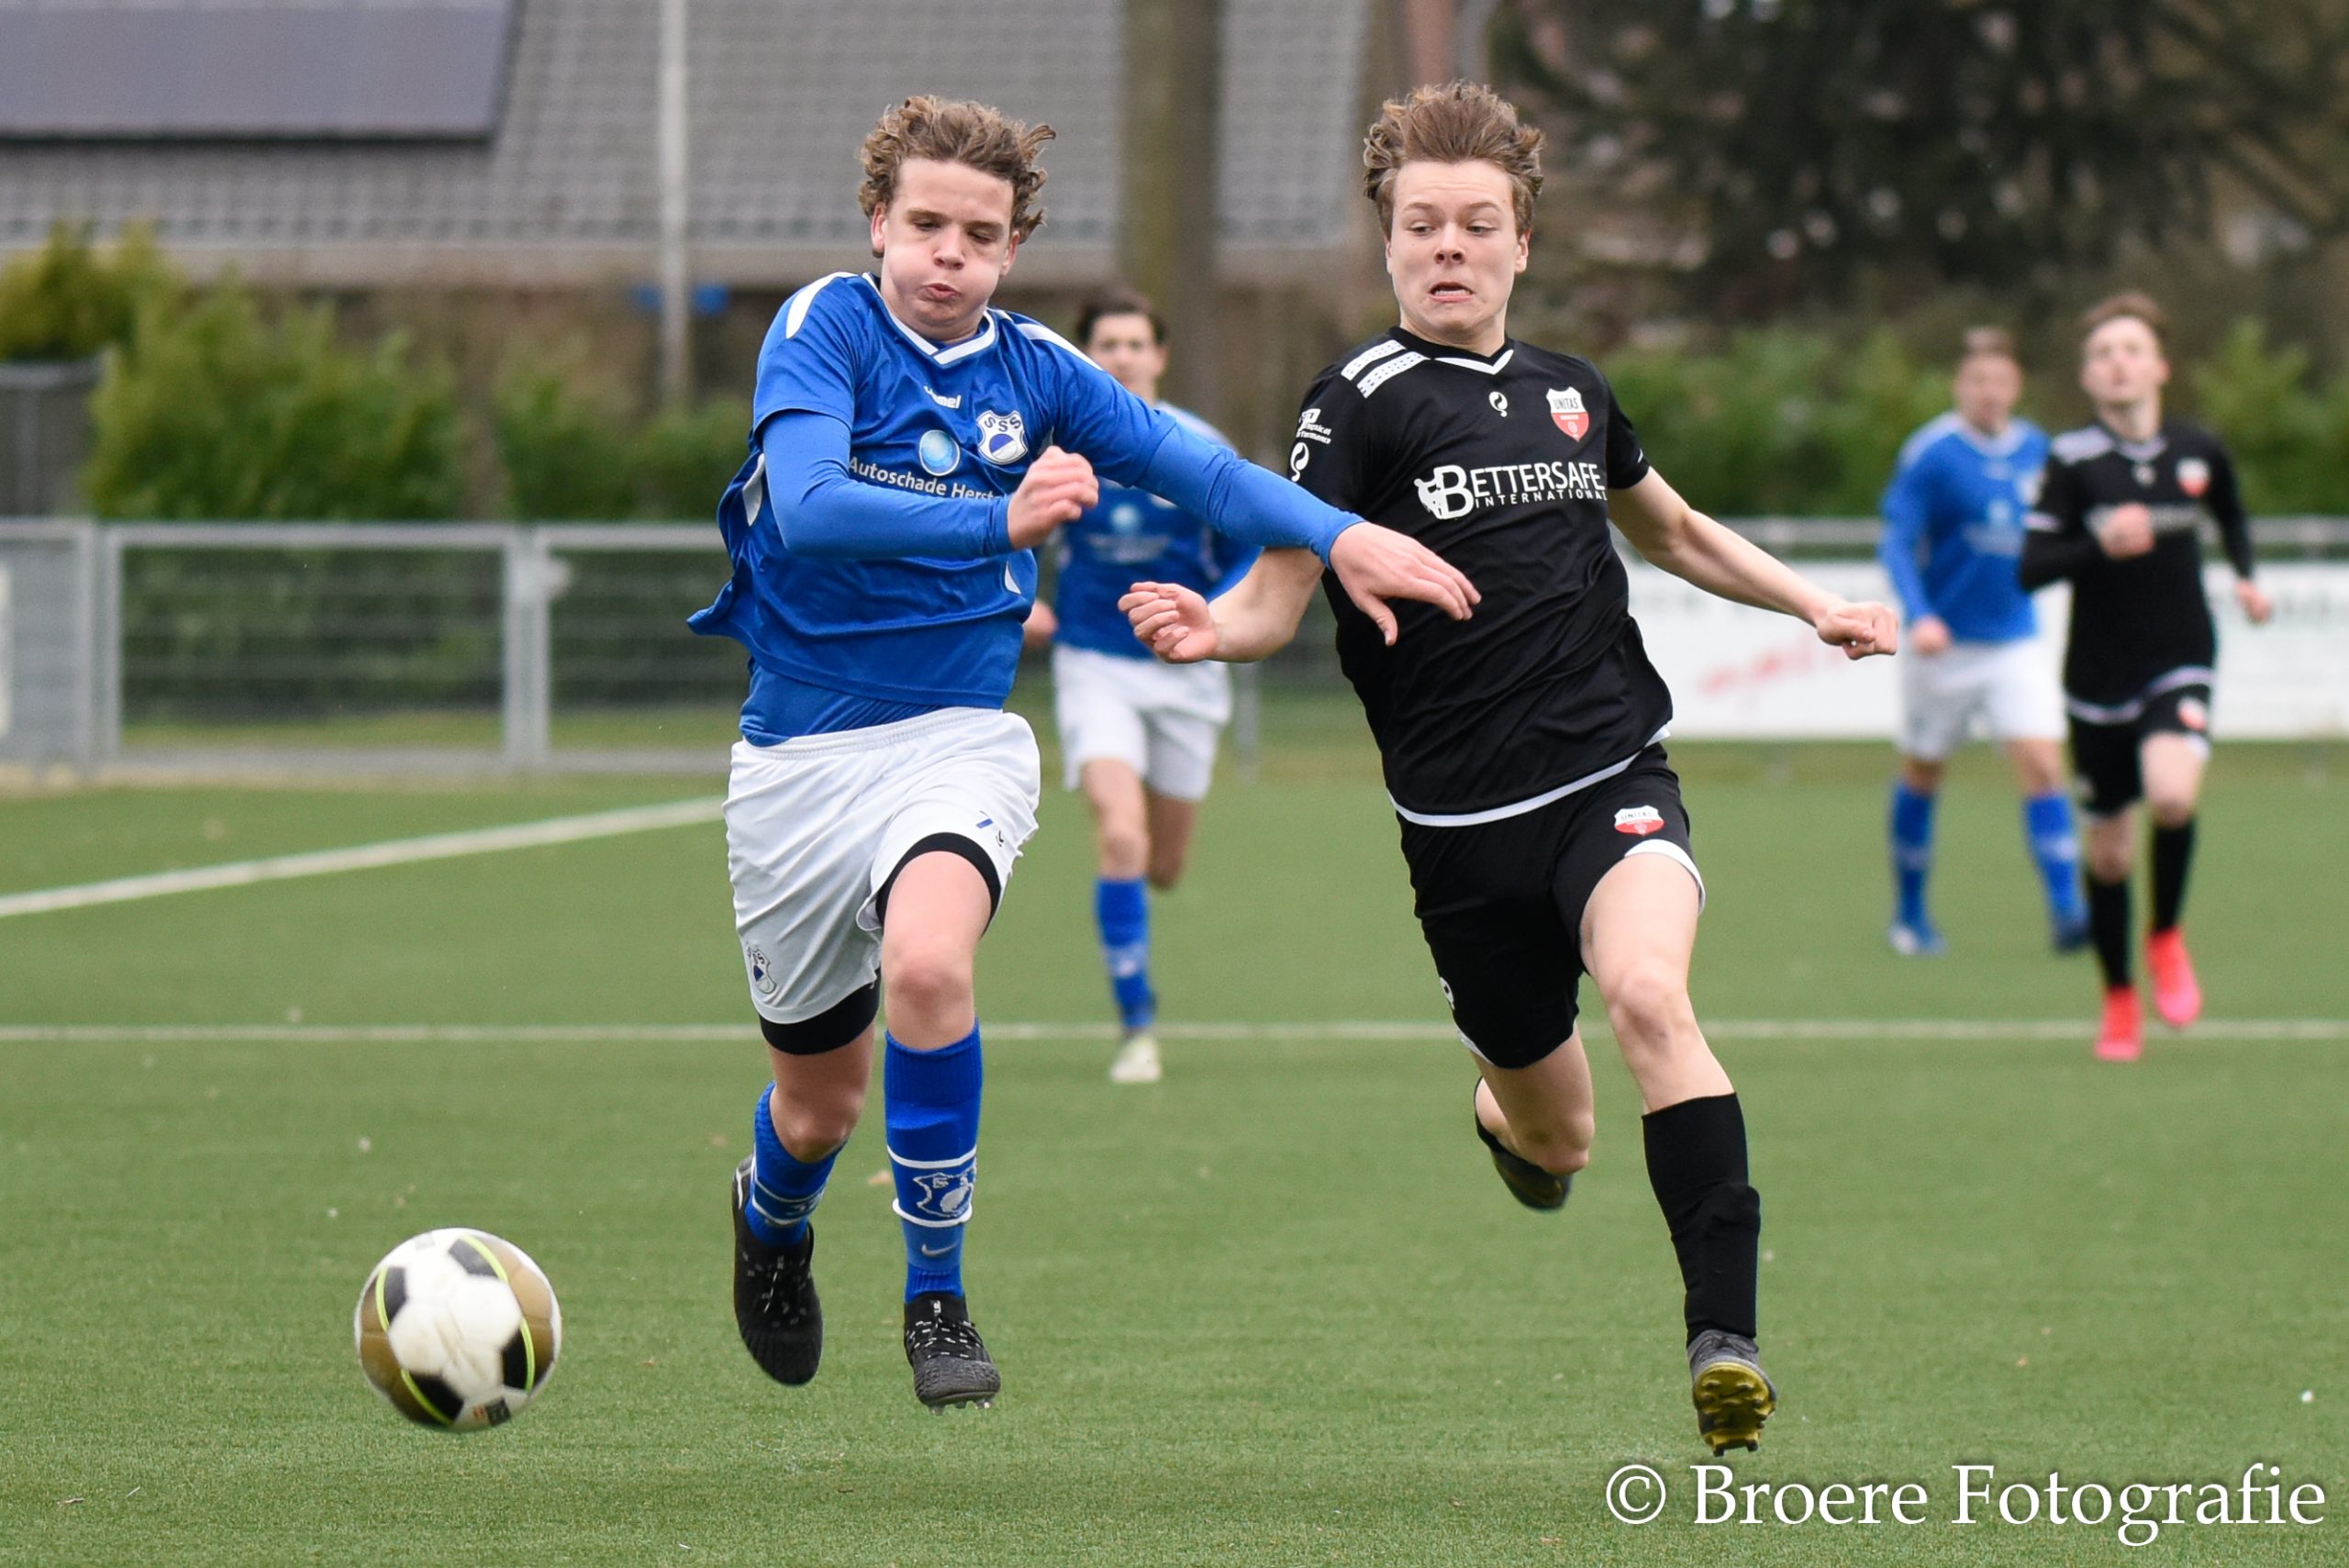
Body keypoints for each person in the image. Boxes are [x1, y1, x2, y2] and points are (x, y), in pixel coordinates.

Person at [1123, 82, 1896, 1454]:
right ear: (1387, 243)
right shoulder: (1356, 406)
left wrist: (1813, 603)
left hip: (1608, 774)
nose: (1449, 246)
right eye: (1423, 224)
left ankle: (1724, 1342)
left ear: (1522, 244)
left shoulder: (1572, 393)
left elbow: (1674, 531)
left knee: (1650, 994)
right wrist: (1211, 630)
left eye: (1478, 224)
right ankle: (1507, 1120)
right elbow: (1279, 592)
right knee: (1559, 1137)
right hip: (1460, 832)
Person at [689, 95, 1476, 1410]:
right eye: (926, 225)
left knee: (929, 964)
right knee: (818, 1107)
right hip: (796, 764)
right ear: (878, 223)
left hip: (956, 740)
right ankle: (770, 1216)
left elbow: (1201, 471)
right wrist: (997, 518)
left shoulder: (1038, 369)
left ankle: (935, 1296)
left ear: (1013, 249)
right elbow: (813, 510)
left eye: (978, 235)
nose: (949, 254)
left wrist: (1339, 533)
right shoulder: (824, 326)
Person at [2021, 293, 2271, 1062]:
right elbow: (2031, 567)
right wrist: (2098, 546)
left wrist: (2246, 576)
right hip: (2098, 675)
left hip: (2180, 656)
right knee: (2108, 856)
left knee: (2172, 794)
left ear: (2160, 366)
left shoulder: (2199, 450)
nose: (2117, 363)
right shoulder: (2071, 462)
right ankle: (2120, 998)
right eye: (2102, 353)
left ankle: (2165, 935)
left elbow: (2232, 515)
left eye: (2131, 349)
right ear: (2086, 376)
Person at [1036, 288, 1255, 1084]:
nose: (1123, 356)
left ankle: (1137, 931)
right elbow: (1003, 521)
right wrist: (1020, 596)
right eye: (1108, 344)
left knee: (1163, 864)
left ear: (1159, 356)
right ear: (1087, 358)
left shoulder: (1197, 448)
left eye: (1136, 343)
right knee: (1120, 836)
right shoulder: (1058, 451)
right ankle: (1137, 1025)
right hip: (1093, 662)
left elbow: (1249, 545)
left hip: (1186, 673)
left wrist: (1215, 616)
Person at [1878, 328, 2087, 956]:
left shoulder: (2039, 451)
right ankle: (1911, 914)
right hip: (1943, 645)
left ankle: (2068, 911)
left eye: (1999, 381)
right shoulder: (1933, 453)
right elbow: (1897, 542)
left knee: (2043, 762)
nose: (1988, 392)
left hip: (2014, 641)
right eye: (1977, 381)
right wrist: (1920, 615)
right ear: (1959, 387)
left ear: (2016, 386)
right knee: (1924, 769)